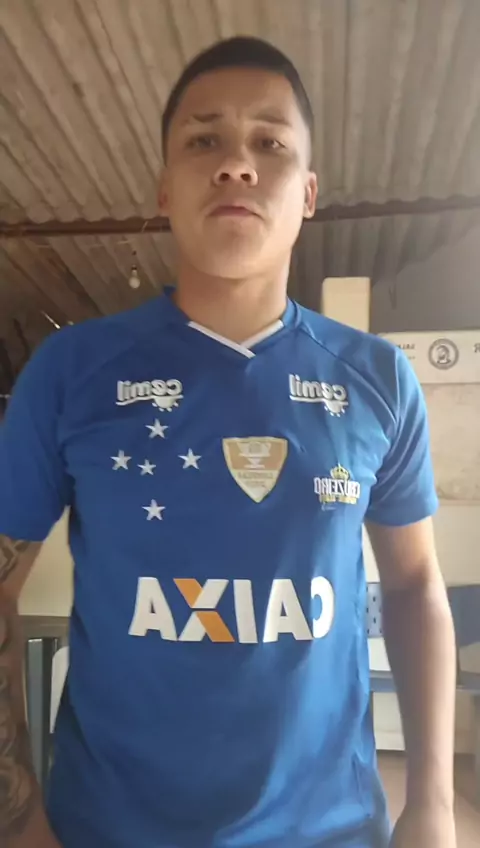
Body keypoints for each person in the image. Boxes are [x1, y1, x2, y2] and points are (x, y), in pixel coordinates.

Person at [0, 36, 457, 848]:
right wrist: (17, 810)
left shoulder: (378, 380)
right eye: (203, 140)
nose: (237, 165)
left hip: (329, 830)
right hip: (107, 828)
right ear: (164, 188)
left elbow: (416, 585)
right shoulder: (72, 372)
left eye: (270, 144)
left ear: (308, 192)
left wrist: (434, 804)